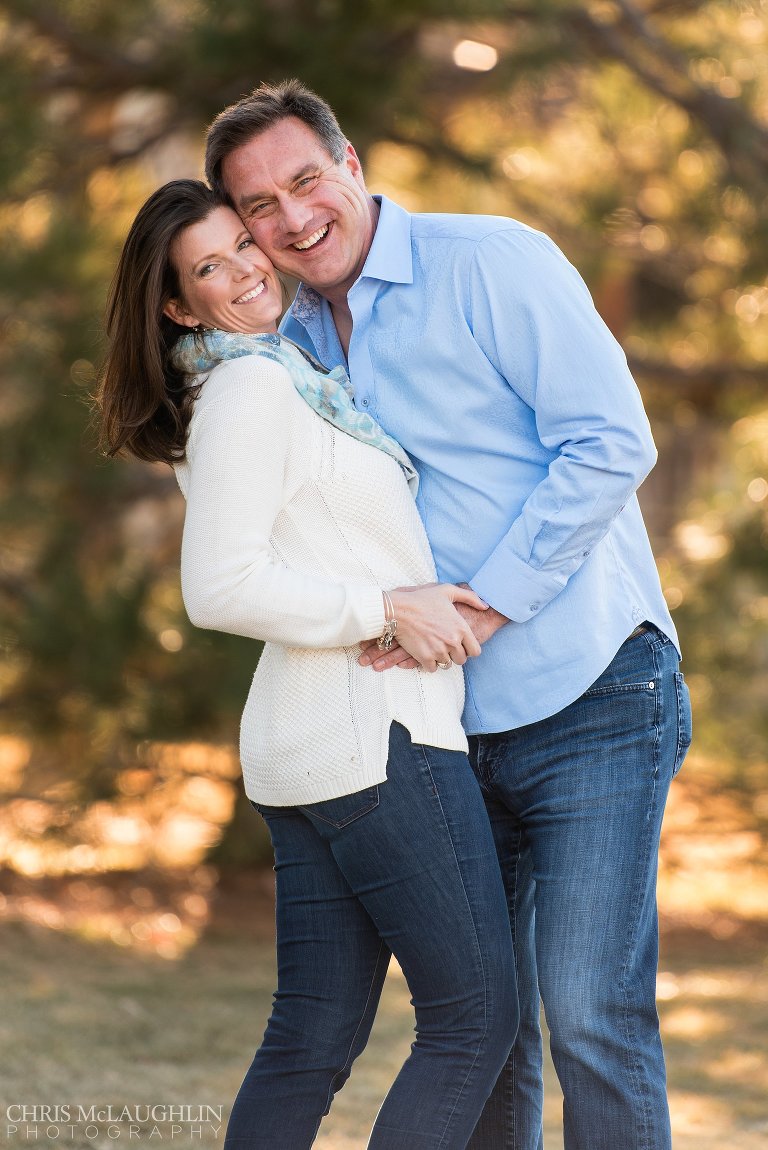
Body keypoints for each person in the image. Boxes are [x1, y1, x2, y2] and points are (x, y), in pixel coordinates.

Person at [204, 80, 694, 1150]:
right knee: (490, 1029)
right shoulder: (289, 344)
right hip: (447, 728)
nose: (291, 218)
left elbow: (611, 441)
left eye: (305, 180)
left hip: (593, 689)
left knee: (590, 1014)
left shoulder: (490, 262)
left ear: (354, 166)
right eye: (258, 208)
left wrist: (491, 606)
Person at [96, 178, 518, 1150]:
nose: (246, 266)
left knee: (313, 1035)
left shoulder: (274, 378)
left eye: (244, 241)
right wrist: (387, 607)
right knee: (473, 1018)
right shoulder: (250, 388)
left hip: (319, 744)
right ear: (176, 304)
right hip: (377, 735)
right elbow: (222, 586)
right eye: (210, 266)